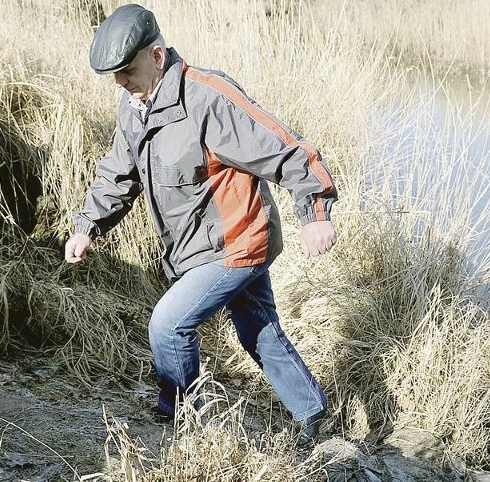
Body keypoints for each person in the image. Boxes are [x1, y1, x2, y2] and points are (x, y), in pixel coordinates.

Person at [64, 3, 337, 447]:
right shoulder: (135, 104)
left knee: (168, 324)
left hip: (237, 241)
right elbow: (119, 172)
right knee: (258, 329)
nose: (119, 83)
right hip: (197, 246)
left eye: (126, 71)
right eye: (113, 75)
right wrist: (87, 226)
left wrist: (316, 214)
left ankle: (186, 423)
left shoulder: (208, 97)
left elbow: (287, 149)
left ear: (156, 56)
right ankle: (314, 414)